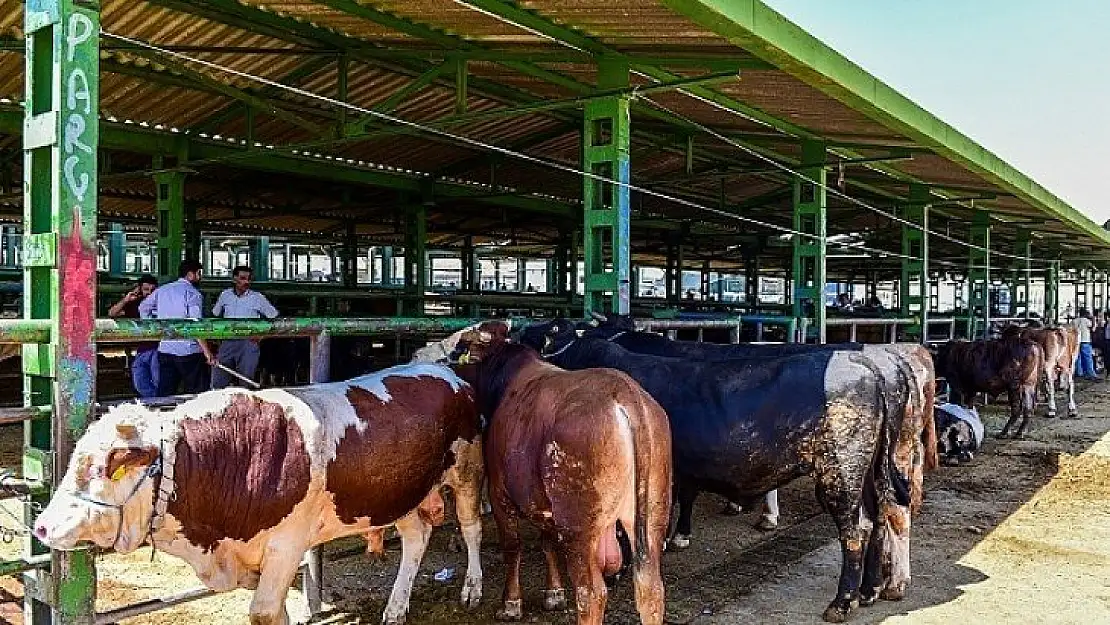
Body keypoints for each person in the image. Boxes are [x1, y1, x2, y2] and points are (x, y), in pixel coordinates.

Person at [139, 260, 217, 395]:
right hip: (189, 351)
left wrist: (156, 328)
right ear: (190, 274)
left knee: (166, 393)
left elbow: (143, 308)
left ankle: (163, 414)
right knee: (197, 394)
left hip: (166, 349)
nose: (200, 277)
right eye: (199, 273)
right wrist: (207, 351)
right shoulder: (193, 293)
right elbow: (195, 324)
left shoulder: (162, 290)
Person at [210, 265, 279, 389]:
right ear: (234, 279)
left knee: (246, 381)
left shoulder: (257, 298)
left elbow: (274, 317)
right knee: (219, 378)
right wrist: (216, 338)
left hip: (249, 342)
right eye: (242, 278)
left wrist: (261, 336)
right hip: (227, 340)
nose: (246, 282)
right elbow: (215, 315)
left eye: (248, 278)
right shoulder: (225, 295)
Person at [108, 274, 160, 398]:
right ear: (140, 289)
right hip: (142, 349)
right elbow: (112, 313)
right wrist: (126, 300)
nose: (149, 293)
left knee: (157, 382)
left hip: (159, 348)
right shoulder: (134, 304)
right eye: (146, 289)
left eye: (153, 290)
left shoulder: (162, 303)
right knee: (140, 383)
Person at [1072, 308, 1097, 380]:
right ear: (1085, 314)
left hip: (1076, 342)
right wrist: (1093, 320)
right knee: (1087, 358)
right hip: (1085, 341)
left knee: (1077, 358)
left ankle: (1079, 373)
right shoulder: (1086, 321)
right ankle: (1090, 374)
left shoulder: (1074, 321)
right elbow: (1093, 329)